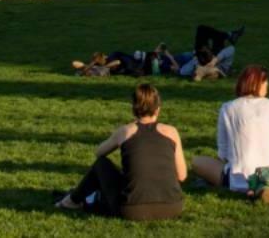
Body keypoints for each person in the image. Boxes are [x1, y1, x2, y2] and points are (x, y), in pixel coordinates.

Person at [56, 83, 186, 221]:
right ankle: (78, 199)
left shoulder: (125, 131)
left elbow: (99, 152)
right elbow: (182, 175)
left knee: (101, 164)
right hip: (173, 207)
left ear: (133, 109)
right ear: (158, 109)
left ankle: (72, 201)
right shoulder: (171, 132)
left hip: (132, 210)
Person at [192, 65, 269, 192]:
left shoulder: (227, 108)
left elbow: (223, 153)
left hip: (239, 180)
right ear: (259, 84)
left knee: (197, 161)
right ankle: (266, 182)